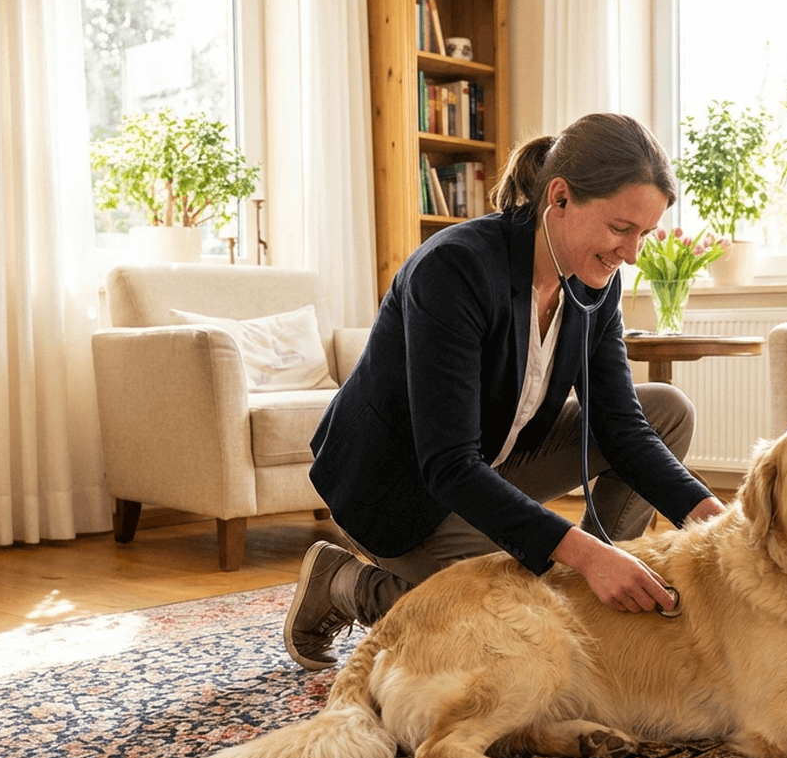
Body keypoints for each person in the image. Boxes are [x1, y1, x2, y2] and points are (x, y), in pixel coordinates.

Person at [285, 112, 725, 670]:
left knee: (667, 411)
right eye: (621, 228)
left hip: (489, 466)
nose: (632, 254)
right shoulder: (455, 268)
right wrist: (582, 556)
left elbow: (623, 428)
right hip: (400, 492)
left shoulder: (595, 284)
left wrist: (722, 524)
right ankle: (344, 582)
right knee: (515, 623)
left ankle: (593, 595)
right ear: (559, 198)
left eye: (645, 234)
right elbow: (448, 465)